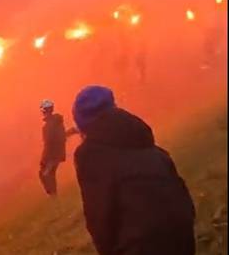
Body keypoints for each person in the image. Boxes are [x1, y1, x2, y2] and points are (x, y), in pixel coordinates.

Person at [72, 85, 196, 255]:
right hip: (183, 237)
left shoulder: (89, 155)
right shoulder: (147, 143)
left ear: (84, 126)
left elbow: (99, 218)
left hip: (142, 245)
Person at [38, 99, 67, 197]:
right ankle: (53, 195)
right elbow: (60, 137)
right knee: (48, 174)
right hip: (54, 154)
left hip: (52, 154)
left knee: (46, 174)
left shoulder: (51, 125)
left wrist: (46, 157)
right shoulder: (56, 123)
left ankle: (53, 195)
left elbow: (49, 142)